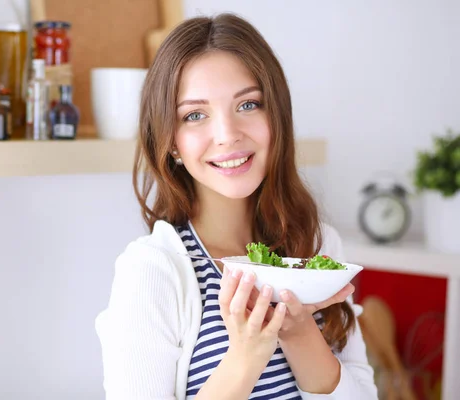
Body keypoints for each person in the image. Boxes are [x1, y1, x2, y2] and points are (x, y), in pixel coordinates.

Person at [95, 12, 378, 400]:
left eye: (248, 105)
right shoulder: (153, 270)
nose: (228, 135)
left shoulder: (315, 245)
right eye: (195, 115)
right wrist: (247, 354)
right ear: (171, 141)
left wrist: (298, 332)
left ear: (276, 116)